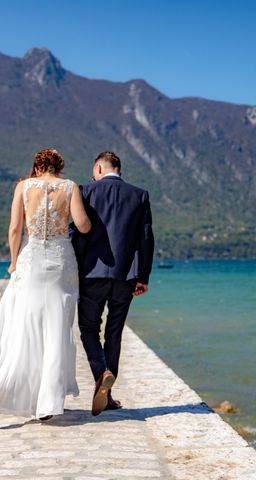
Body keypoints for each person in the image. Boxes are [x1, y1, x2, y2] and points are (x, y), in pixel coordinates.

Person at [0, 148, 91, 420]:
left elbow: (14, 228)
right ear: (59, 167)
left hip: (32, 260)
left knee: (28, 326)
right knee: (57, 327)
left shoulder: (23, 187)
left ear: (36, 166)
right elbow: (82, 225)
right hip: (60, 261)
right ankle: (49, 400)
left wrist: (13, 261)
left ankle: (28, 393)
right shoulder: (70, 187)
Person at [72, 151, 154, 416]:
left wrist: (74, 270)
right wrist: (143, 277)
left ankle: (101, 371)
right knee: (114, 331)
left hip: (91, 274)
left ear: (98, 167)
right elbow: (146, 239)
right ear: (118, 169)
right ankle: (106, 394)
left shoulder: (86, 191)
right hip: (125, 276)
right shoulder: (139, 195)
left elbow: (78, 234)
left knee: (87, 329)